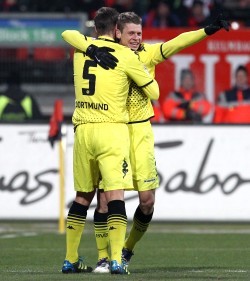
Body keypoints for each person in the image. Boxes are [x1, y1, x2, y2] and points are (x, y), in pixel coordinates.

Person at [62, 10, 230, 273]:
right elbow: (74, 37)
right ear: (118, 32)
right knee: (105, 198)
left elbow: (177, 42)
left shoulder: (145, 54)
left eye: (140, 33)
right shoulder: (108, 54)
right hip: (113, 130)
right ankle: (104, 257)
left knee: (147, 200)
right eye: (131, 33)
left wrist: (207, 31)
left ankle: (127, 249)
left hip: (139, 133)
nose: (136, 38)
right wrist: (91, 48)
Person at [61, 7, 159, 275]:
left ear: (94, 29)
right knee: (115, 195)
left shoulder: (81, 49)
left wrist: (90, 48)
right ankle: (115, 259)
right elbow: (155, 91)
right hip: (111, 130)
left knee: (83, 196)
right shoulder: (125, 55)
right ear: (117, 31)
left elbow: (68, 33)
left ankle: (70, 259)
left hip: (82, 129)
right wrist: (137, 73)